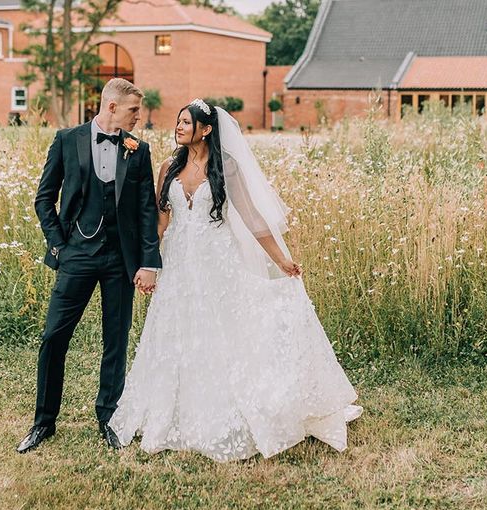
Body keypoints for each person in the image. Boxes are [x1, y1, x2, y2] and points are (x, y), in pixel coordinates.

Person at [108, 99, 361, 462]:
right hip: (180, 265)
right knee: (176, 334)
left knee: (222, 334)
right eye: (177, 122)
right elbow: (161, 223)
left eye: (185, 122)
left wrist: (283, 260)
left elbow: (254, 219)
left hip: (217, 263)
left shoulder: (226, 167)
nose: (177, 127)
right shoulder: (168, 167)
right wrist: (149, 264)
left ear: (206, 129)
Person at [17, 78, 161, 454]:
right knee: (54, 337)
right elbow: (44, 198)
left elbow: (147, 211)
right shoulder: (68, 140)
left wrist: (149, 262)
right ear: (111, 107)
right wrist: (60, 247)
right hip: (76, 255)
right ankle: (43, 422)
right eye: (133, 110)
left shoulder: (138, 150)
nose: (138, 118)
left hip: (120, 260)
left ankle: (109, 419)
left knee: (116, 340)